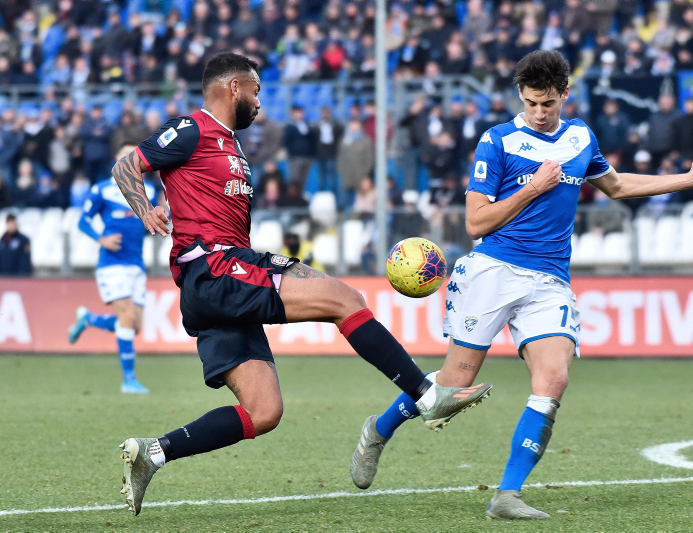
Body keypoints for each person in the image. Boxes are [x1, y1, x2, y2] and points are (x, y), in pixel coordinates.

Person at [109, 52, 491, 516]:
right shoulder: (193, 129)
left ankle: (153, 453)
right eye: (255, 91)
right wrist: (145, 207)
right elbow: (128, 165)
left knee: (263, 410)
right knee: (345, 300)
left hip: (215, 286)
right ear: (233, 88)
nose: (259, 103)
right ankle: (426, 395)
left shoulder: (230, 144)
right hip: (216, 268)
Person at [348, 50, 693, 521]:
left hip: (549, 280)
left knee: (554, 378)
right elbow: (475, 222)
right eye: (530, 103)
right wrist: (532, 188)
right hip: (493, 269)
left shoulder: (581, 136)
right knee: (451, 384)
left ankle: (507, 494)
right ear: (519, 96)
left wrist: (688, 179)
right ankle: (377, 432)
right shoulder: (498, 141)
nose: (539, 113)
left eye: (547, 103)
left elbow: (619, 186)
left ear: (564, 94)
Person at [67, 144, 157, 394]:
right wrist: (101, 239)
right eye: (125, 156)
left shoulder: (148, 190)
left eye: (134, 156)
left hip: (136, 264)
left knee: (134, 325)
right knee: (127, 318)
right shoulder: (102, 190)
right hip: (111, 264)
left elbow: (153, 220)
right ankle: (129, 380)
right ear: (117, 161)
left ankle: (89, 319)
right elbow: (82, 221)